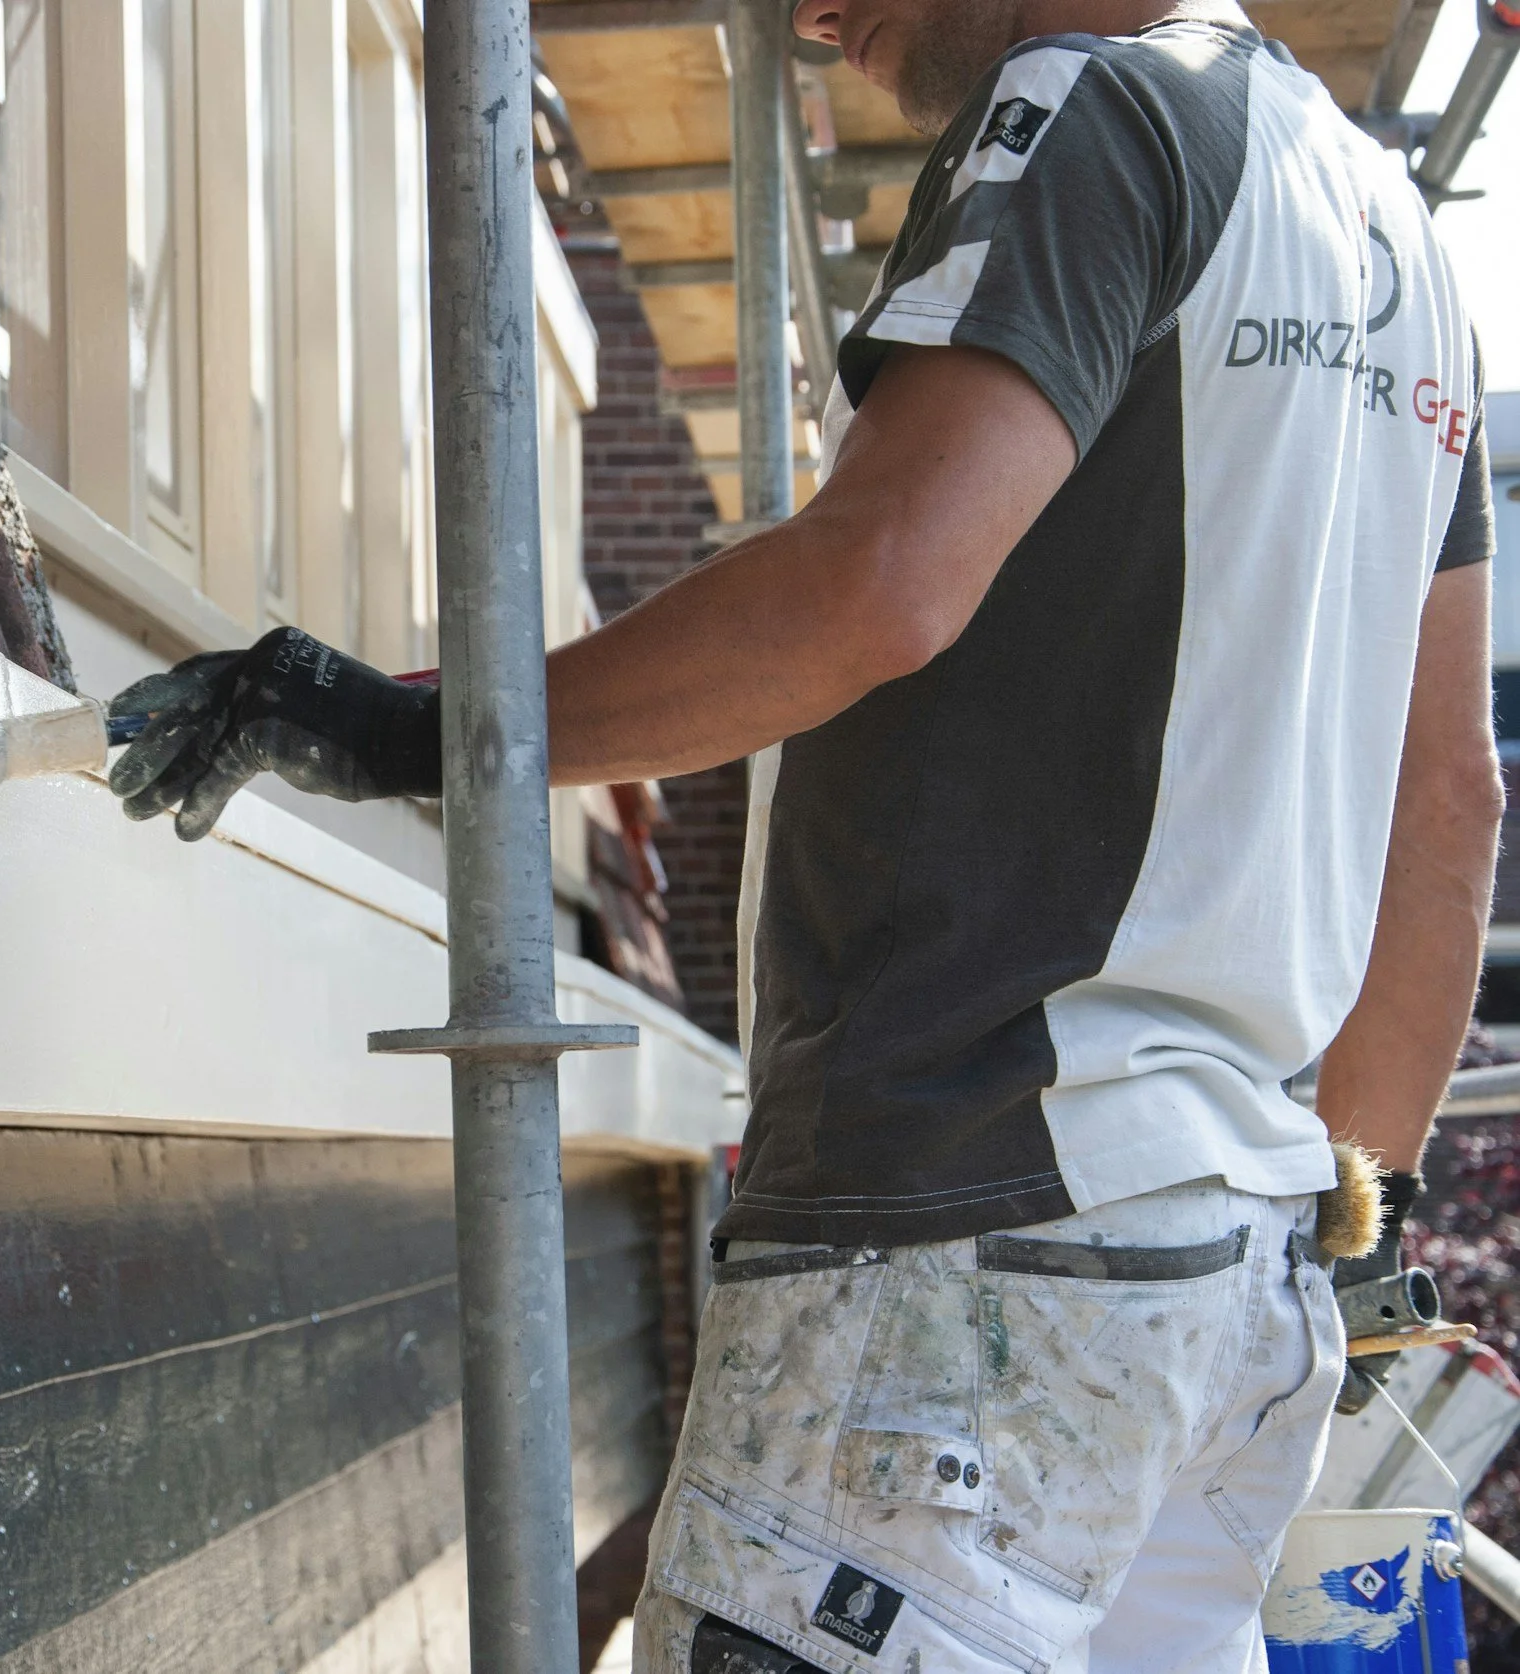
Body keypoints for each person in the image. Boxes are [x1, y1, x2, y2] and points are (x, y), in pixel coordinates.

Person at [106, 0, 1499, 1666]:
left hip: (973, 1260)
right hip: (1234, 1281)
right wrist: (1356, 1216)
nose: (813, 14)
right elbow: (1449, 800)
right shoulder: (1400, 245)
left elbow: (884, 576)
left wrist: (423, 728)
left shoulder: (1100, 116)